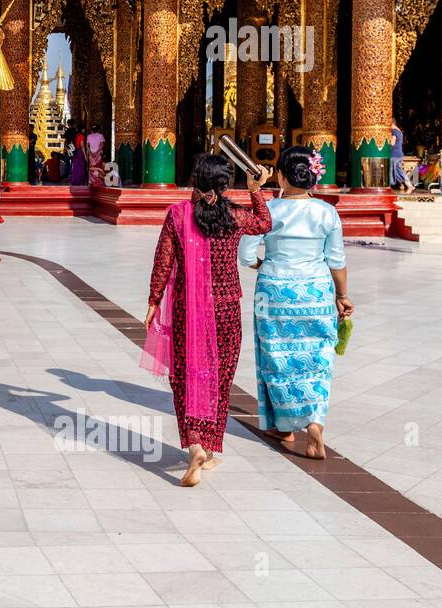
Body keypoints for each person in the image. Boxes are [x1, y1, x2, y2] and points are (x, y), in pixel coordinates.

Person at [144, 155, 272, 488]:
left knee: (187, 376)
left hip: (188, 309)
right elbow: (264, 223)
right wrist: (255, 189)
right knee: (219, 377)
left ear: (194, 182)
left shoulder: (177, 214)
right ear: (224, 184)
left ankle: (196, 445)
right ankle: (210, 449)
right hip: (227, 309)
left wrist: (154, 299)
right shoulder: (234, 215)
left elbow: (163, 261)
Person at [240, 147, 352, 460]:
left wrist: (268, 265)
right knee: (316, 359)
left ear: (281, 176)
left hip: (274, 291)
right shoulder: (327, 212)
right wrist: (342, 296)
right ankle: (314, 423)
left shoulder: (267, 209)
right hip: (316, 291)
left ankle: (284, 424)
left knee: (276, 357)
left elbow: (246, 256)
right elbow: (337, 260)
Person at [391, 119, 408, 192]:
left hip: (394, 154)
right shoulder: (399, 131)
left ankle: (390, 185)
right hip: (399, 154)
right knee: (398, 171)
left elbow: (392, 143)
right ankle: (403, 184)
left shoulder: (394, 131)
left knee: (392, 170)